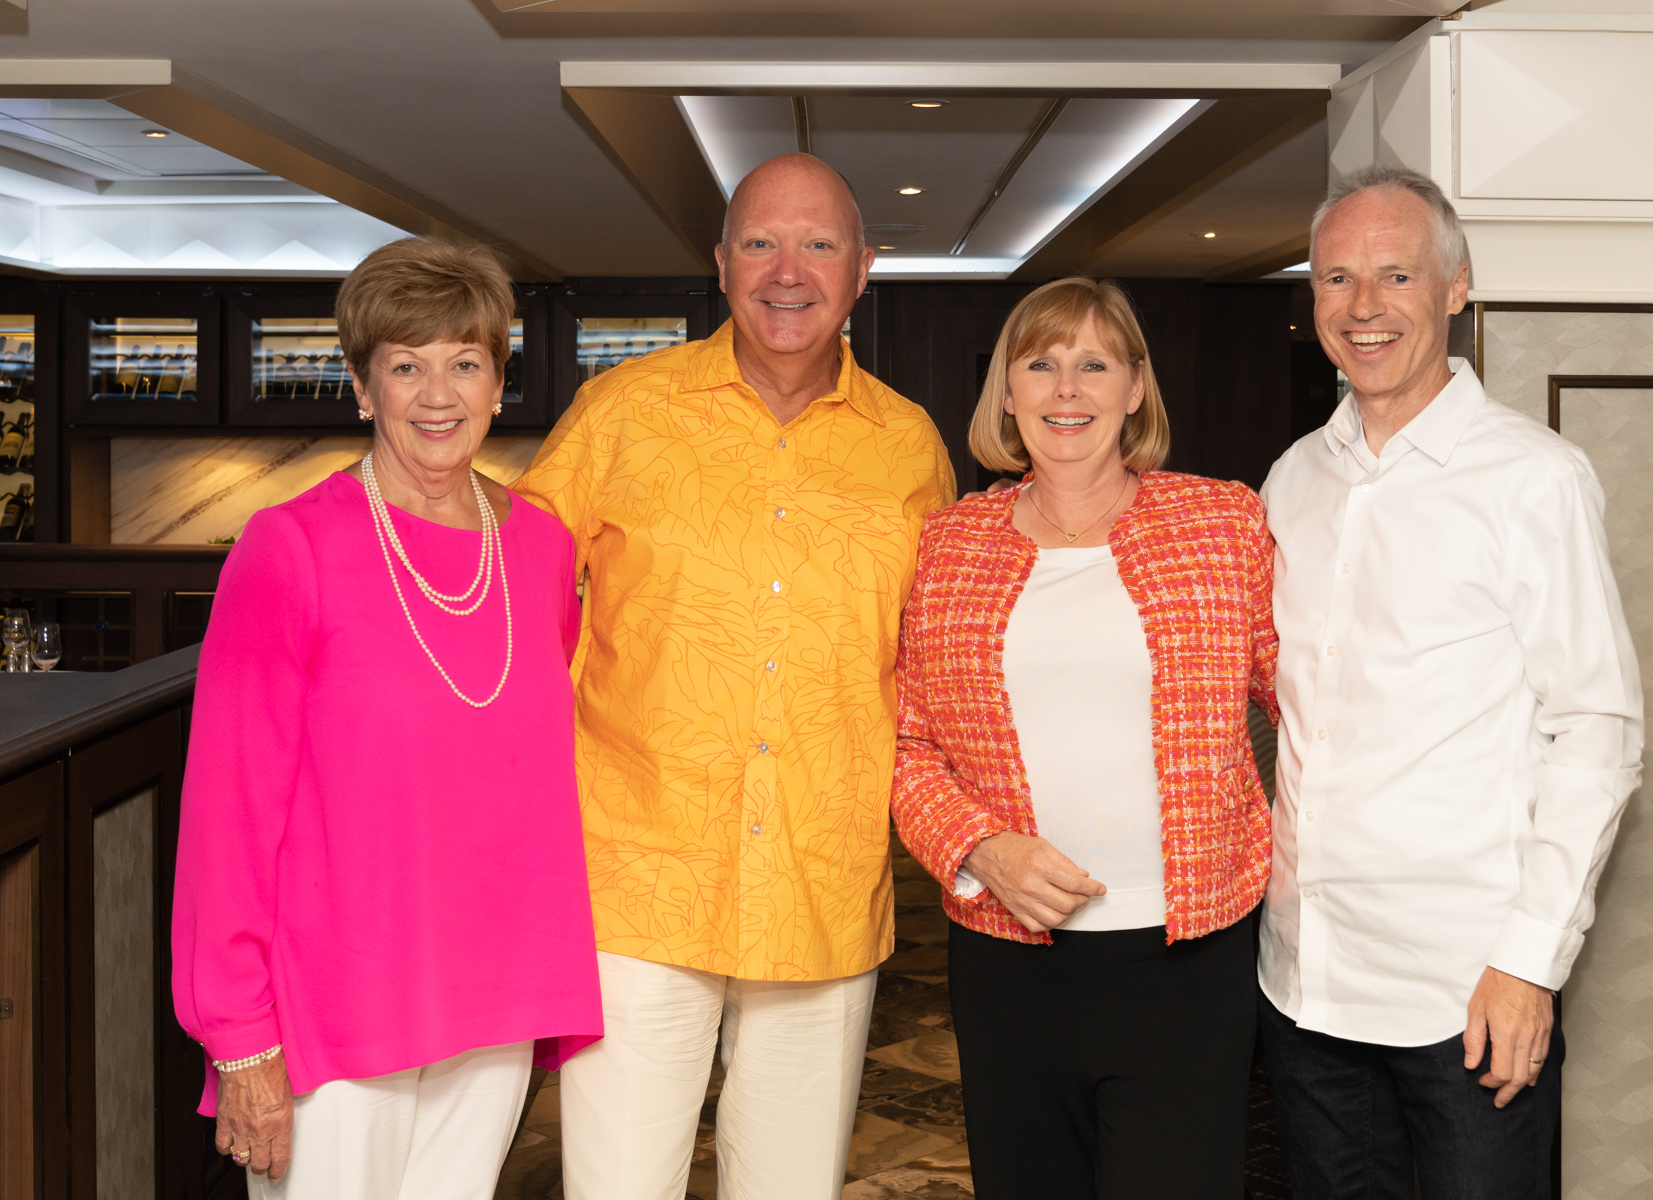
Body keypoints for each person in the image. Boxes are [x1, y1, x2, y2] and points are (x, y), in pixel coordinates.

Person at [511, 153, 956, 1200]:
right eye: (759, 241)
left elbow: (939, 660)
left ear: (863, 268)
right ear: (720, 263)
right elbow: (509, 597)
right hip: (637, 884)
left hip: (822, 880)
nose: (785, 270)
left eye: (818, 243)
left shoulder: (909, 447)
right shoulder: (622, 412)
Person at [171, 237, 602, 1198]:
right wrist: (239, 1039)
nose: (438, 393)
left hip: (492, 990)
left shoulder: (539, 549)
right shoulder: (290, 549)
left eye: (465, 361)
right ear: (363, 388)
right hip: (335, 1005)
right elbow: (228, 816)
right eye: (406, 366)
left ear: (499, 381)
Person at [1257, 164, 1644, 1198]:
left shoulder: (1533, 479)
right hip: (1307, 991)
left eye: (1395, 275)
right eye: (1337, 279)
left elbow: (1597, 734)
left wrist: (1529, 964)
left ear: (1457, 288)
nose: (1364, 307)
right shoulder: (1292, 481)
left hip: (1466, 998)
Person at [890, 276, 1279, 1200]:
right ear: (1009, 391)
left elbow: (1311, 705)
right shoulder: (950, 543)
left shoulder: (1222, 523)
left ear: (1135, 387)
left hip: (1188, 958)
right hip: (1009, 959)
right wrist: (980, 846)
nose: (1068, 391)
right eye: (1042, 364)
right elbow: (910, 748)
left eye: (1095, 364)